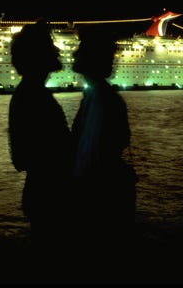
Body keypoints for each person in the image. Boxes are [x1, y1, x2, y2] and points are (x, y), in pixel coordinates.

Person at [70, 25, 138, 258]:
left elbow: (92, 159)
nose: (74, 54)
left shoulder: (101, 99)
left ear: (91, 57)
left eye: (81, 49)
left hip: (97, 205)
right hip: (101, 198)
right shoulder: (96, 96)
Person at [8, 19, 72, 256]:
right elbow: (54, 152)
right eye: (50, 47)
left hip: (37, 192)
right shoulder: (36, 98)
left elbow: (19, 159)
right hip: (51, 195)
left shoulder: (24, 95)